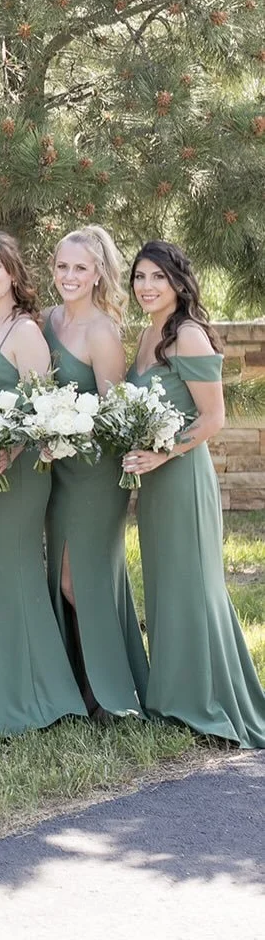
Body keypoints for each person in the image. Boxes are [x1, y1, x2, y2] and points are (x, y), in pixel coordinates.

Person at [125, 240, 265, 747]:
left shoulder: (188, 336)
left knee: (192, 586)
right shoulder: (147, 335)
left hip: (183, 478)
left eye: (157, 277)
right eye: (139, 277)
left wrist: (162, 455)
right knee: (165, 586)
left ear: (179, 283)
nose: (146, 286)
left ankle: (206, 701)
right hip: (156, 483)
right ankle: (173, 696)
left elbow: (213, 419)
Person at [0, 230, 86, 733]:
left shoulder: (24, 332)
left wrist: (9, 447)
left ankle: (46, 698)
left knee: (11, 572)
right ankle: (6, 694)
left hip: (19, 473)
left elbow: (46, 410)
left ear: (13, 272)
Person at [43, 227, 148, 719]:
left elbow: (115, 417)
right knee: (65, 577)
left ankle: (106, 694)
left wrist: (67, 432)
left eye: (80, 268)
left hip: (94, 473)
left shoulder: (102, 331)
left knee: (77, 579)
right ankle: (81, 685)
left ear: (98, 273)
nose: (69, 276)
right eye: (63, 266)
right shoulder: (47, 321)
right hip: (56, 472)